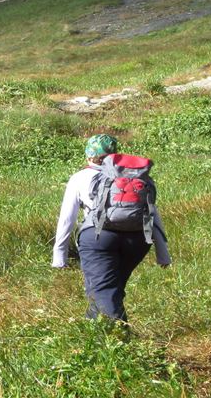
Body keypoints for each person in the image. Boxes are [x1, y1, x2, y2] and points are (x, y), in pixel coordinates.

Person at [52, 134, 171, 324]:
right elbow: (153, 214)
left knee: (104, 290)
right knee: (110, 288)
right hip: (138, 240)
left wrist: (59, 255)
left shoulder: (80, 177)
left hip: (98, 238)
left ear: (89, 156)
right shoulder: (136, 176)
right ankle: (93, 327)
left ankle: (118, 340)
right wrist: (162, 254)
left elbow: (67, 218)